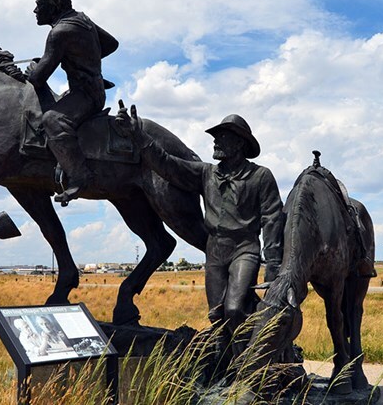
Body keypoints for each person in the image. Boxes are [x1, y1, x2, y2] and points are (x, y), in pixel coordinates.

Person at [115, 103, 284, 357]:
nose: (215, 141)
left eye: (222, 136)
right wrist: (140, 137)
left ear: (239, 144)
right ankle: (228, 363)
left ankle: (249, 362)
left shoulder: (260, 176)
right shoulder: (206, 173)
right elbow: (167, 165)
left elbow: (272, 219)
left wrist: (273, 269)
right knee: (217, 314)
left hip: (244, 249)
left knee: (235, 309)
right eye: (215, 136)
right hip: (215, 249)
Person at [27, 0, 119, 205]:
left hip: (86, 96)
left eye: (39, 5)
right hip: (91, 89)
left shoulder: (59, 32)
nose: (35, 10)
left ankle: (79, 176)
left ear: (53, 5)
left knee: (52, 120)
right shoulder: (82, 19)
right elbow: (110, 44)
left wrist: (33, 69)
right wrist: (84, 59)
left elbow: (38, 79)